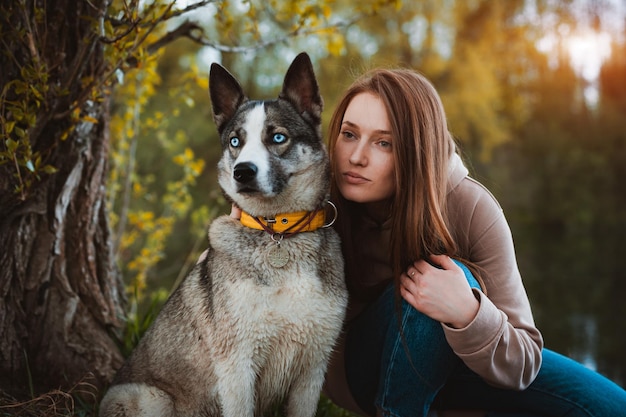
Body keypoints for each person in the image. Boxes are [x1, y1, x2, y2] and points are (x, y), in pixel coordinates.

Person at [320, 67, 626, 417]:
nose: (357, 157)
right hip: (361, 371)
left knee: (610, 407)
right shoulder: (314, 194)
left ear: (417, 150)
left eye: (383, 143)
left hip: (459, 363)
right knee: (431, 280)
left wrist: (467, 311)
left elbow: (523, 362)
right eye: (349, 134)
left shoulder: (471, 208)